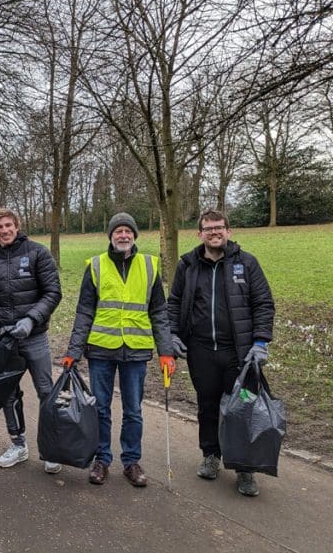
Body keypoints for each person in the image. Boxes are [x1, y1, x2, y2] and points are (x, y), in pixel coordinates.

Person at [62, 212, 175, 488]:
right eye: (118, 231)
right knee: (100, 408)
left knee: (133, 410)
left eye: (128, 231)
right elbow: (84, 312)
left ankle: (131, 461)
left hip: (135, 351)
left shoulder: (149, 266)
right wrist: (73, 351)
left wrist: (166, 352)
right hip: (101, 349)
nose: (123, 235)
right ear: (110, 236)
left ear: (134, 235)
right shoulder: (96, 266)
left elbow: (159, 313)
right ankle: (102, 459)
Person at [167, 209, 275, 497]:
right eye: (208, 228)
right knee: (208, 406)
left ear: (229, 231)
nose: (214, 232)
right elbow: (174, 303)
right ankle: (211, 455)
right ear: (199, 233)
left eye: (219, 227)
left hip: (239, 354)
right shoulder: (187, 265)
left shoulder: (247, 264)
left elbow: (263, 303)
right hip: (201, 351)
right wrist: (172, 335)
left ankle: (244, 468)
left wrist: (261, 342)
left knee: (242, 409)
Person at [0, 207, 63, 474]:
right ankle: (18, 445)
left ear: (17, 226)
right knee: (7, 393)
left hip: (35, 337)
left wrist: (31, 319)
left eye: (8, 225)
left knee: (46, 391)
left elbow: (53, 293)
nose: (4, 230)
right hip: (4, 338)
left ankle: (51, 448)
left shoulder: (38, 253)